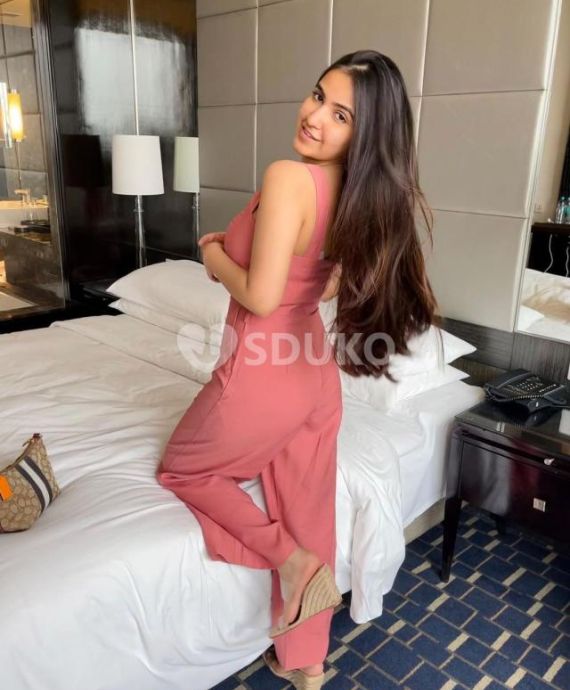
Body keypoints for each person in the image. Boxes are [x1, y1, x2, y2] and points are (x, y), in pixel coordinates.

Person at [156, 49, 440, 689]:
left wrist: (211, 254)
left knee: (184, 469)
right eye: (318, 96)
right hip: (312, 373)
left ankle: (292, 563)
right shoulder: (361, 199)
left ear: (364, 134)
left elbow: (259, 297)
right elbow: (327, 284)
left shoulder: (289, 177)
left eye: (341, 115)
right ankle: (305, 663)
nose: (314, 116)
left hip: (260, 373)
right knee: (309, 507)